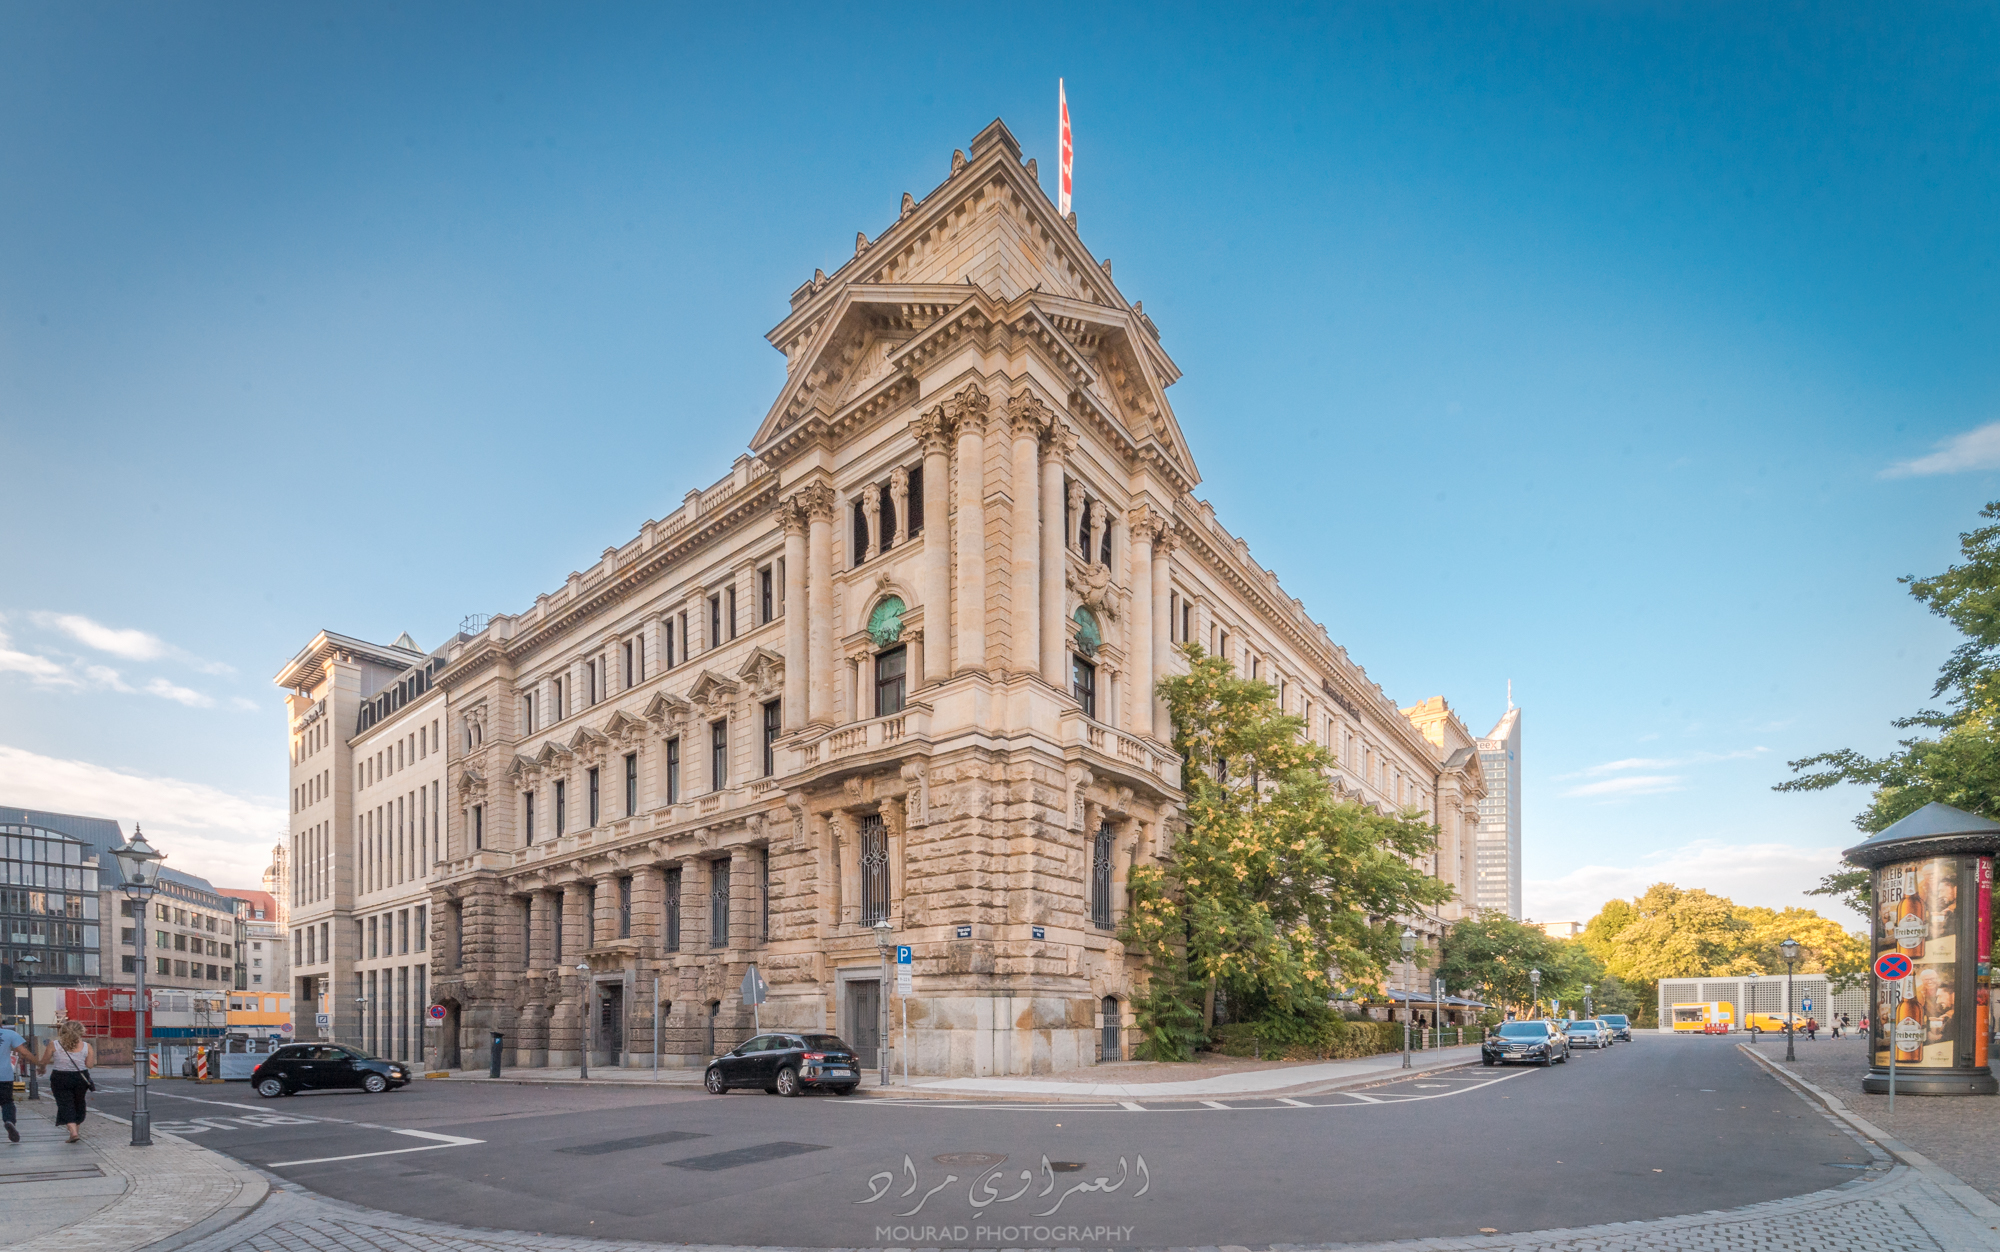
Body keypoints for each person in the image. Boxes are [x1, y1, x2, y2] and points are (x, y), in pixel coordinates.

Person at [40, 1021, 91, 1143]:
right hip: (80, 1078)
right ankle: (75, 1132)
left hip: (60, 1077)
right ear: (81, 1031)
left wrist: (41, 1068)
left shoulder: (54, 1044)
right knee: (79, 1103)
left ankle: (73, 1132)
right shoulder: (86, 1046)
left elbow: (44, 1061)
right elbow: (90, 1064)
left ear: (62, 1031)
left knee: (65, 1103)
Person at [0, 1019, 31, 1144]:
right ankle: (9, 1121)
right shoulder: (9, 1034)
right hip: (4, 1075)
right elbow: (23, 1051)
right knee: (7, 1102)